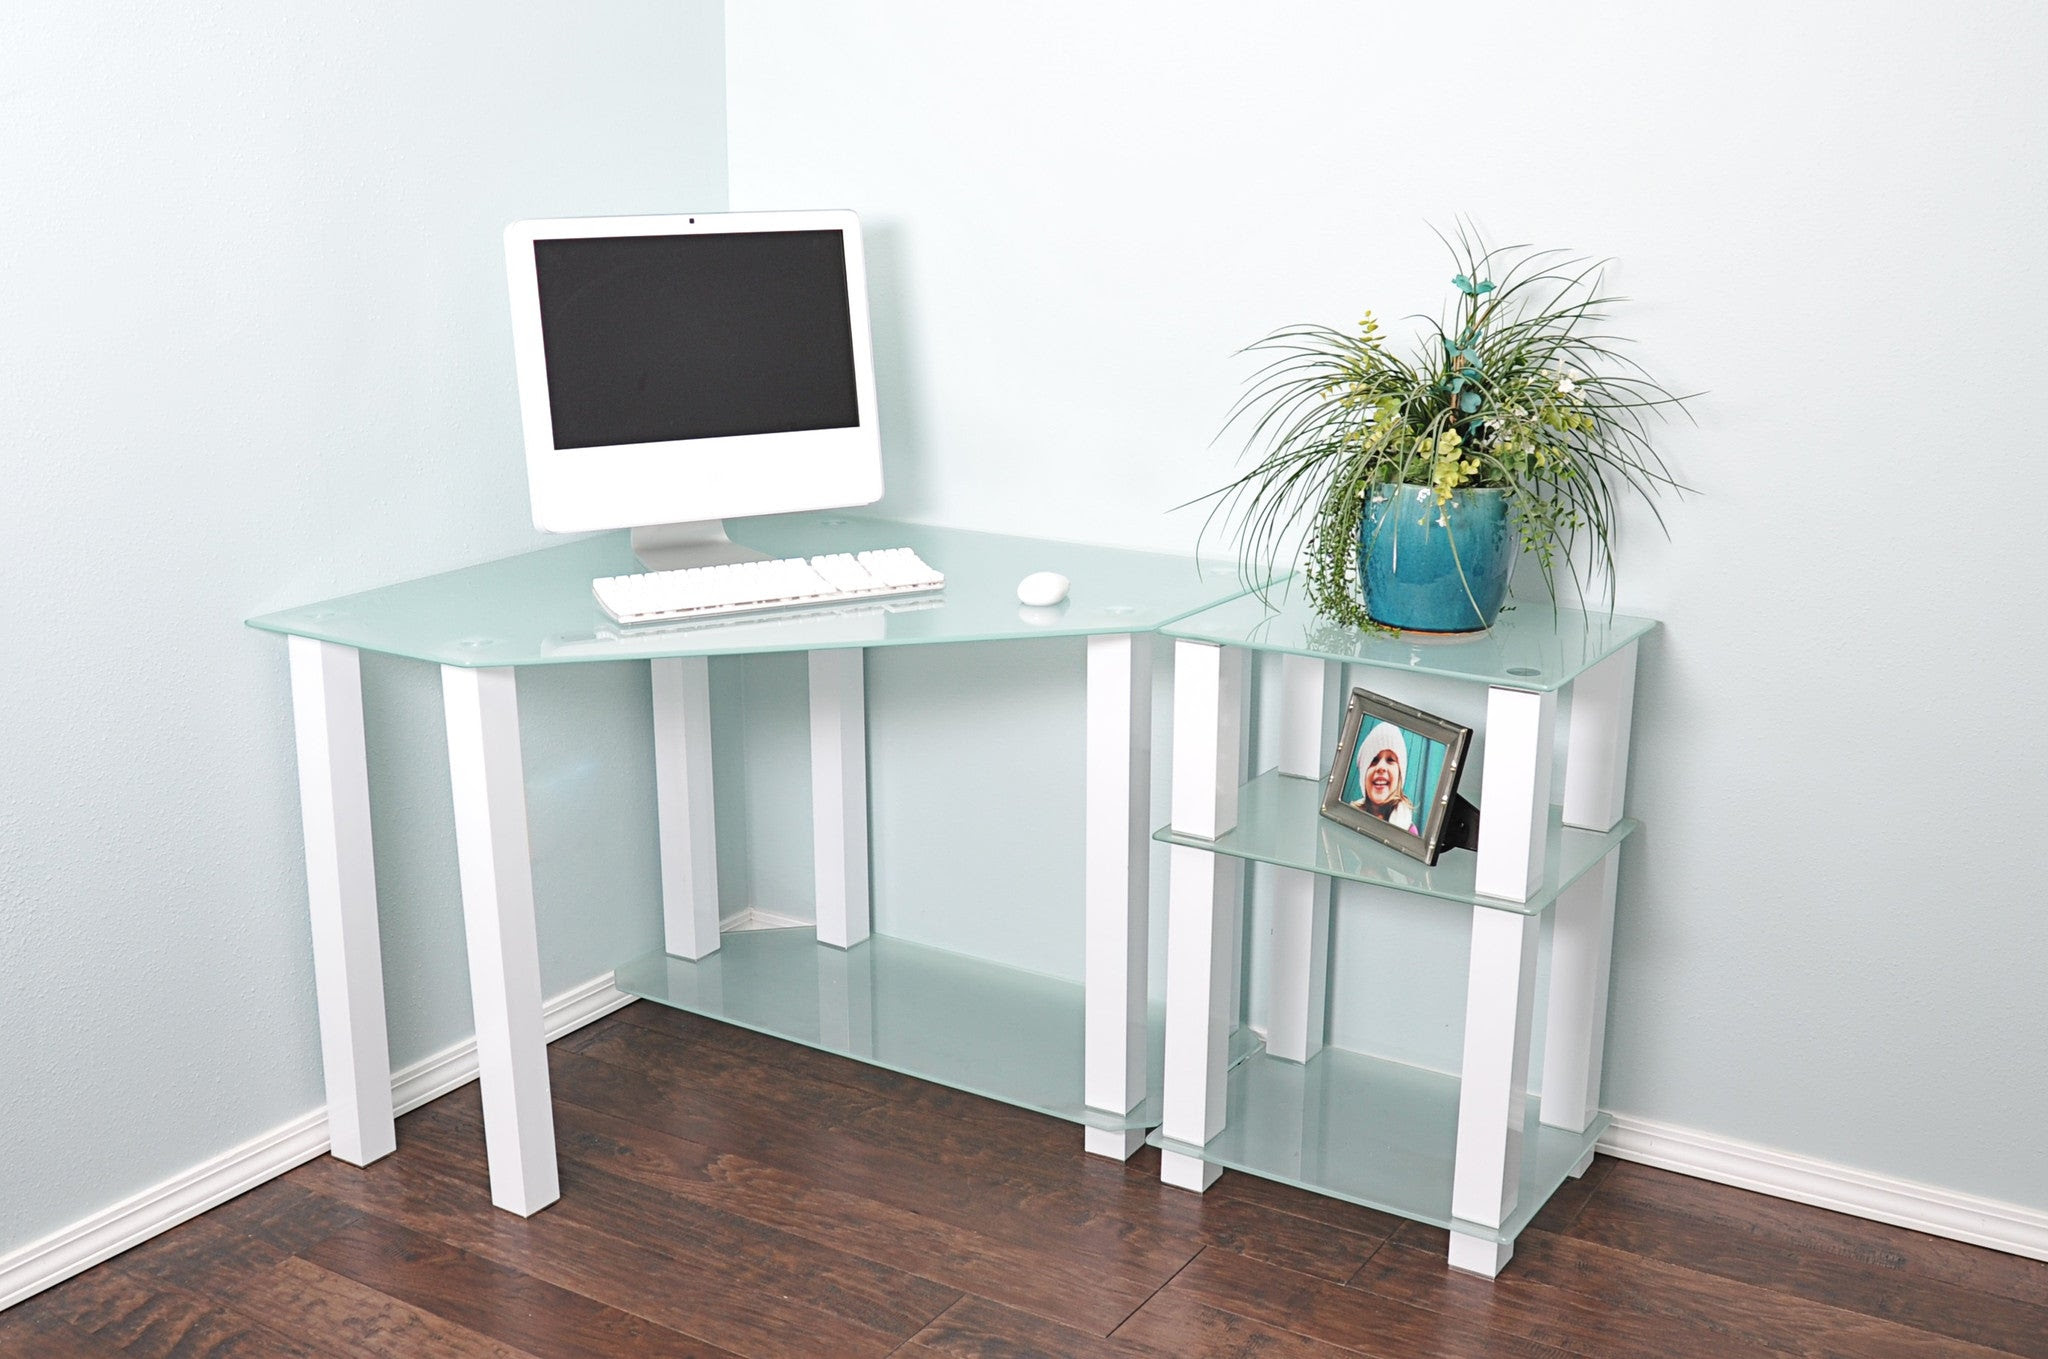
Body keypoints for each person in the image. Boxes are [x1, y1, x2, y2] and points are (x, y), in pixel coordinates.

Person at [1349, 721, 1420, 834]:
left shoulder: (1408, 829)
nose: (1381, 767)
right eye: (1374, 760)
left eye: (1390, 760)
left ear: (1400, 776)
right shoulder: (1349, 816)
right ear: (1363, 776)